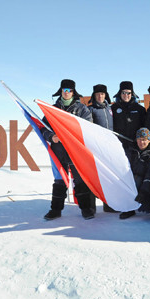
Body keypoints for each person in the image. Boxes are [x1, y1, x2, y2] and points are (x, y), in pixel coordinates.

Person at [41, 79, 96, 220]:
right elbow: (42, 128)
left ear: (73, 92)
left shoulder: (82, 109)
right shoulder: (52, 109)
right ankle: (55, 210)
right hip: (58, 151)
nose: (67, 93)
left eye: (69, 90)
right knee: (60, 180)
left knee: (80, 180)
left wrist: (73, 136)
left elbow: (88, 128)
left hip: (76, 152)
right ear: (61, 91)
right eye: (64, 90)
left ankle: (85, 209)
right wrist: (51, 136)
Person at [88, 84, 116, 213]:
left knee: (108, 176)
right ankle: (90, 206)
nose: (100, 96)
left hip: (110, 148)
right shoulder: (90, 109)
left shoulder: (110, 108)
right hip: (97, 148)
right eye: (98, 94)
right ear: (94, 95)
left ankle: (108, 204)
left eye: (103, 94)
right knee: (94, 176)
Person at [120, 127, 150, 220]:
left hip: (148, 183)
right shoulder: (130, 151)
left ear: (149, 140)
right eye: (139, 140)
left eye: (144, 140)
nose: (142, 143)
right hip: (133, 182)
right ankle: (129, 207)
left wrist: (144, 192)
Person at [111, 81, 146, 148]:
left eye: (128, 93)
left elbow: (144, 126)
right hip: (118, 144)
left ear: (132, 93)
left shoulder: (140, 109)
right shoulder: (113, 108)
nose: (126, 95)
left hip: (135, 144)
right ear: (120, 93)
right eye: (123, 92)